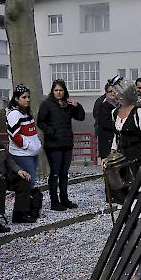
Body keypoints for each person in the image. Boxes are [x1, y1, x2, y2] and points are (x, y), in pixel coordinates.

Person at [37, 79, 85, 211]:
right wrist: (51, 132)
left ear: (64, 91)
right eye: (56, 90)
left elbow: (81, 117)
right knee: (55, 173)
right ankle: (54, 201)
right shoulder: (47, 104)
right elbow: (40, 122)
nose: (58, 93)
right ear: (52, 91)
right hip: (53, 145)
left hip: (67, 143)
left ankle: (64, 199)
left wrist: (77, 105)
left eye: (61, 90)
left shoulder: (68, 104)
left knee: (64, 173)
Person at [6, 85, 42, 188]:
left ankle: (29, 202)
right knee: (28, 182)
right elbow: (14, 135)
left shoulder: (26, 112)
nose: (28, 100)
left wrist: (37, 144)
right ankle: (27, 203)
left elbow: (32, 132)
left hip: (31, 153)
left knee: (31, 181)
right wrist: (28, 146)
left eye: (28, 97)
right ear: (16, 99)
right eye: (24, 97)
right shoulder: (14, 114)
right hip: (22, 154)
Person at [109, 84, 141, 169]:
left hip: (137, 159)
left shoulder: (139, 113)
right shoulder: (114, 112)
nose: (119, 98)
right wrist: (111, 155)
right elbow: (116, 136)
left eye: (121, 96)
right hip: (120, 160)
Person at [96, 83, 118, 161]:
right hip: (107, 143)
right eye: (110, 91)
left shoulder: (120, 106)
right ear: (106, 93)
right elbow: (105, 124)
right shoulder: (103, 107)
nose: (113, 93)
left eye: (115, 91)